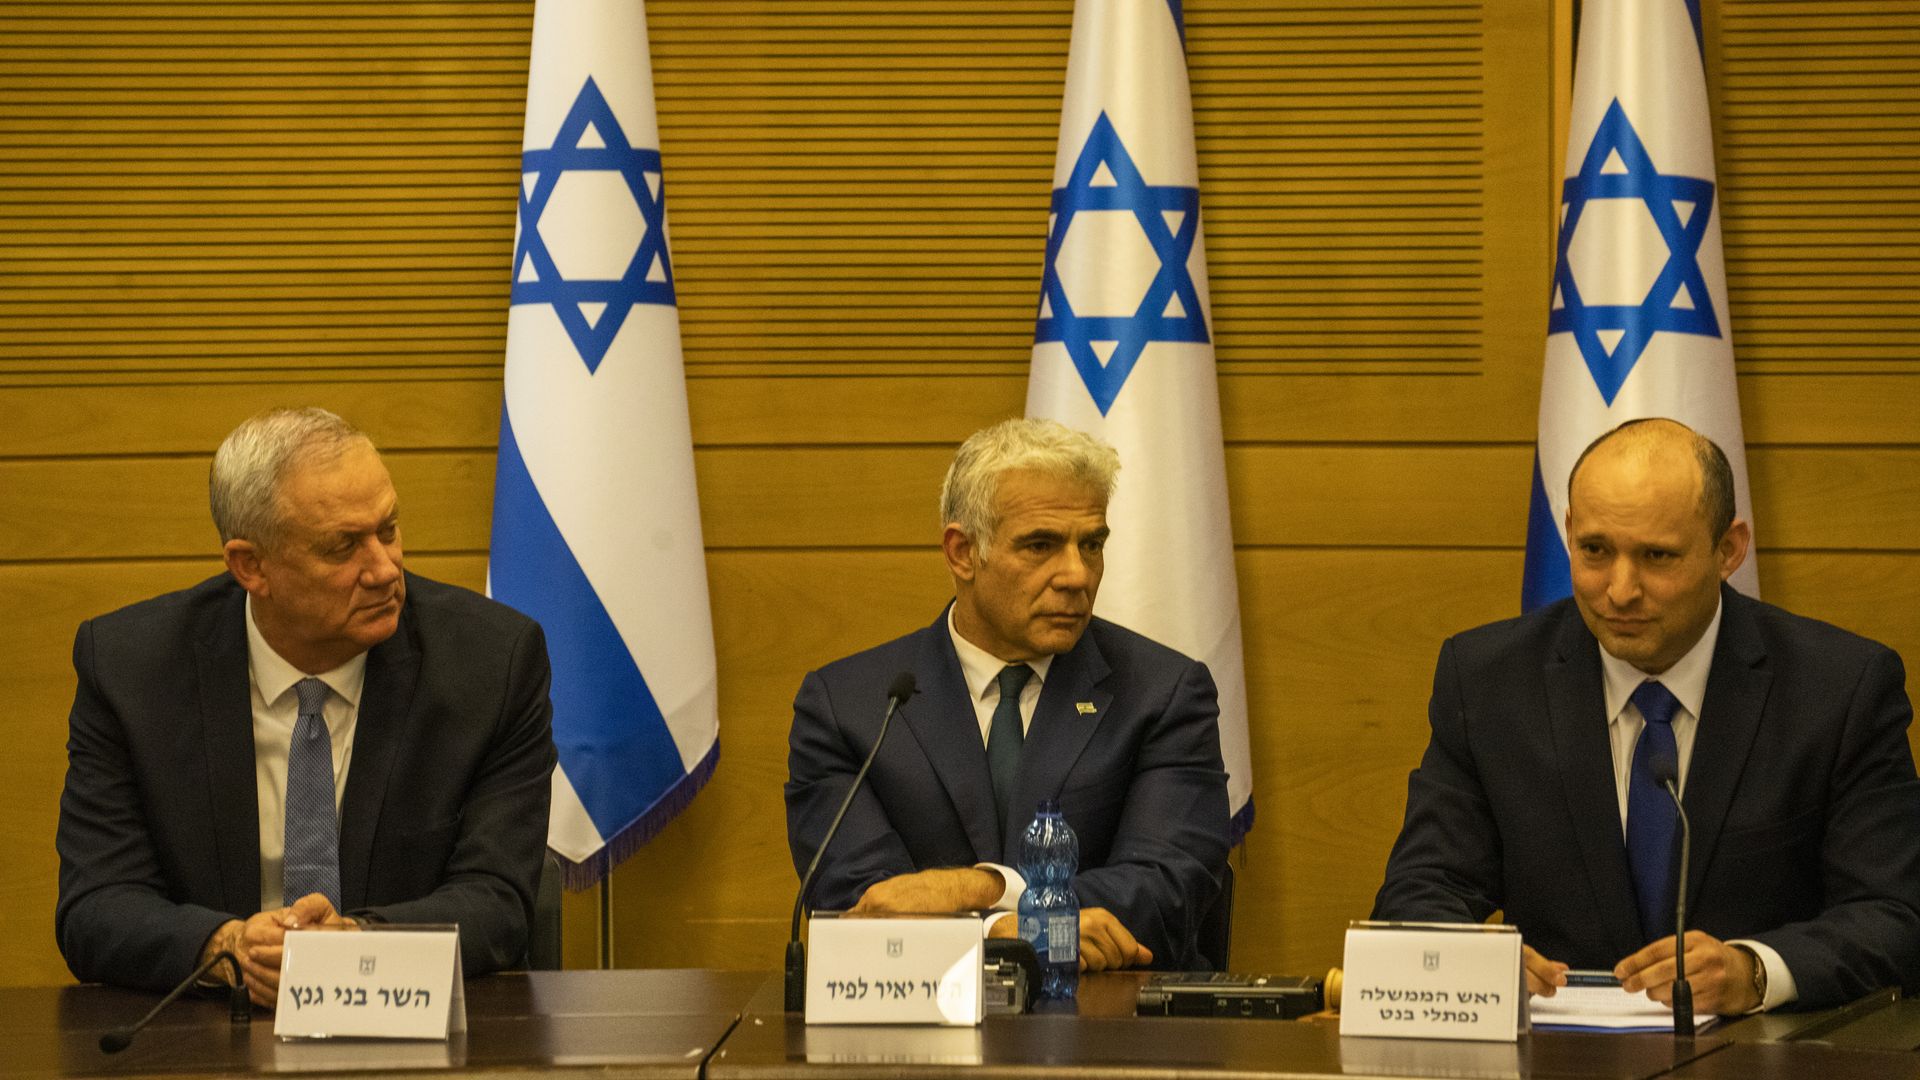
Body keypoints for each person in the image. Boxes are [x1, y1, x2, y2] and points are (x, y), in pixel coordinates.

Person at [1374, 417, 1920, 1013]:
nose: (1621, 590)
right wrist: (1470, 956)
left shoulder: (1839, 689)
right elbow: (1422, 888)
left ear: (1728, 550)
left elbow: (1893, 914)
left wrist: (1755, 971)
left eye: (1657, 556)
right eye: (1596, 551)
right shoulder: (1487, 680)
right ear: (1568, 534)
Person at [55, 407, 556, 1005]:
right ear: (251, 566)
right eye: (343, 547)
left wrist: (356, 944)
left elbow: (498, 901)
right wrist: (228, 947)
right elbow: (96, 906)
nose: (384, 568)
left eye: (388, 529)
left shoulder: (491, 662)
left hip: (410, 1027)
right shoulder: (131, 670)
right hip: (206, 1038)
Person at [784, 418, 1231, 971]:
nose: (1076, 575)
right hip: (912, 1028)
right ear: (962, 553)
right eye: (1040, 545)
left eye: (1091, 544)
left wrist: (984, 887)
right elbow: (862, 902)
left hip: (1111, 1028)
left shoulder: (1162, 693)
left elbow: (1167, 891)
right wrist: (1009, 927)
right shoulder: (849, 705)